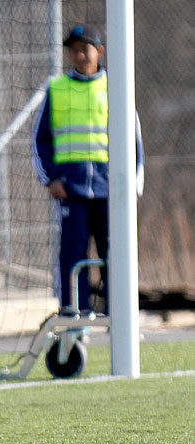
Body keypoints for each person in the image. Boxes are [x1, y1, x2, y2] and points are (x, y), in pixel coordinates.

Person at [32, 24, 144, 313]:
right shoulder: (57, 88)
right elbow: (39, 139)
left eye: (85, 49)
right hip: (72, 189)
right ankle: (74, 312)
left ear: (100, 51)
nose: (79, 55)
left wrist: (133, 184)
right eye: (74, 50)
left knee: (116, 253)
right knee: (72, 253)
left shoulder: (116, 87)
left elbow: (133, 139)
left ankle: (119, 311)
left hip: (111, 190)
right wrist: (51, 179)